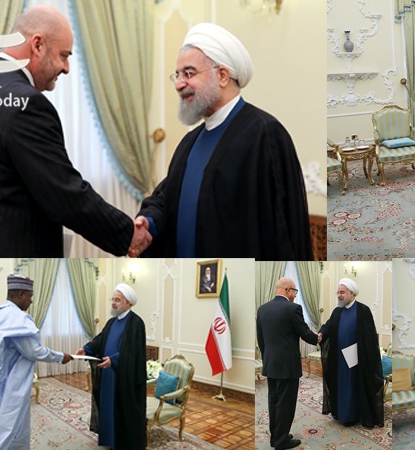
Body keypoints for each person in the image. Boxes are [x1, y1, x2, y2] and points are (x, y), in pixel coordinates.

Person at [0, 5, 150, 257]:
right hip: (11, 259)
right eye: (64, 56)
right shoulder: (27, 104)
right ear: (38, 45)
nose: (66, 68)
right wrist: (127, 234)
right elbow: (64, 194)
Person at [136, 23, 312, 259]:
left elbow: (282, 227)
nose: (179, 84)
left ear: (222, 75)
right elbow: (166, 199)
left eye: (189, 73)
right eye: (177, 75)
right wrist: (148, 223)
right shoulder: (190, 142)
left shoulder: (264, 134)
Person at [0, 274, 73, 449]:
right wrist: (60, 357)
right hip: (6, 381)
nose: (31, 301)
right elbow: (33, 351)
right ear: (20, 294)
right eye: (30, 296)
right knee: (8, 423)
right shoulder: (16, 317)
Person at [76, 283, 146, 449]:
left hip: (123, 377)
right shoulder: (111, 322)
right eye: (112, 299)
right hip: (107, 375)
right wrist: (86, 349)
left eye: (117, 300)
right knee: (107, 407)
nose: (113, 303)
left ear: (128, 303)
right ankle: (109, 439)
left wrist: (114, 361)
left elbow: (134, 352)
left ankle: (121, 444)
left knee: (121, 410)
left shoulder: (136, 323)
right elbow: (100, 340)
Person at [256, 277, 320, 449]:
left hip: (271, 363)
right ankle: (281, 441)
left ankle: (276, 436)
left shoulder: (262, 309)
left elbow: (261, 339)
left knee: (274, 401)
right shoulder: (293, 309)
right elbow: (305, 333)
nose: (295, 295)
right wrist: (317, 338)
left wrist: (267, 358)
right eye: (295, 291)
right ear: (287, 290)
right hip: (288, 366)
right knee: (286, 404)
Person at [318, 278, 384, 429]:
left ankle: (352, 416)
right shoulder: (337, 311)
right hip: (339, 358)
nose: (339, 295)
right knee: (341, 386)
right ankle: (341, 413)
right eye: (338, 293)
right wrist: (321, 334)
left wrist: (363, 355)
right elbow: (328, 326)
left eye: (342, 292)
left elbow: (370, 337)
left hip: (357, 358)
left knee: (353, 386)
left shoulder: (363, 310)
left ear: (351, 293)